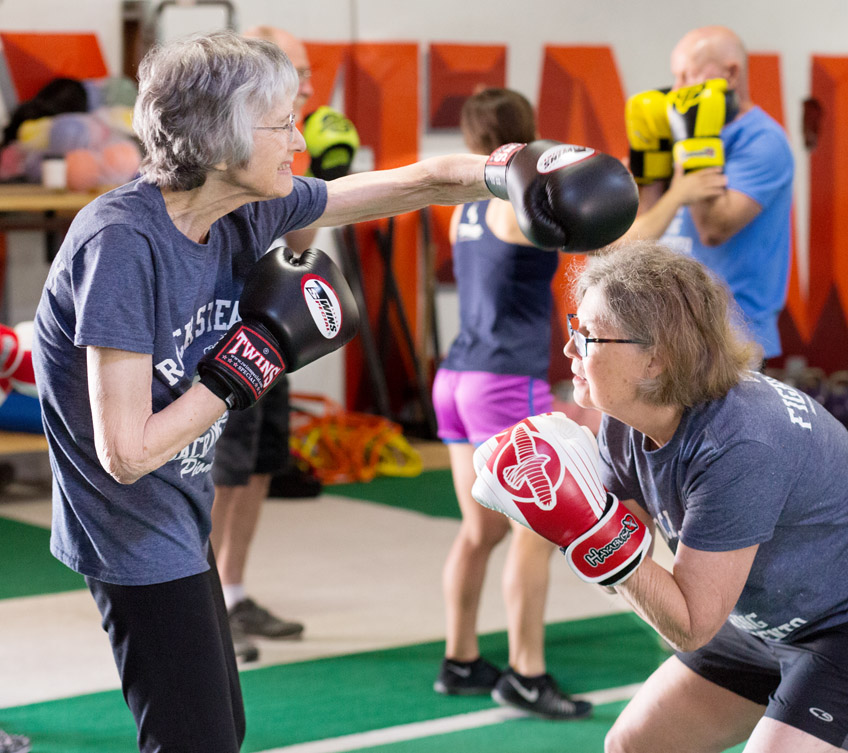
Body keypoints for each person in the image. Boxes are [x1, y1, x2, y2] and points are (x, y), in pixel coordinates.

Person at [32, 30, 636, 753]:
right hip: (131, 531)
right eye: (281, 124)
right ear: (220, 141)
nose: (299, 139)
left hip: (181, 515)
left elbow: (416, 183)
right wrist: (245, 367)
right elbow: (125, 453)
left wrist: (509, 168)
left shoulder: (242, 208)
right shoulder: (122, 245)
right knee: (197, 739)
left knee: (218, 729)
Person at [472, 241, 848, 753]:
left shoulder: (741, 443)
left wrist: (589, 531)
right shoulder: (623, 424)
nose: (570, 350)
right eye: (575, 328)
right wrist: (573, 524)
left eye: (589, 336)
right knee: (633, 746)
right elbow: (629, 571)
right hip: (766, 619)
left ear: (656, 360)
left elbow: (688, 626)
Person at [431, 88, 591, 720]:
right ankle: (527, 673)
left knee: (480, 531)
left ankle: (461, 660)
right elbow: (613, 232)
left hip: (456, 378)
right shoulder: (516, 206)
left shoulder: (465, 208)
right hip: (503, 382)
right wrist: (677, 192)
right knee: (536, 533)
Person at [208, 24, 330, 664]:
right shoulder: (235, 140)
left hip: (272, 325)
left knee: (257, 468)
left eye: (307, 72)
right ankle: (203, 609)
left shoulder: (289, 140)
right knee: (221, 475)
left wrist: (327, 175)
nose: (307, 85)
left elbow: (300, 241)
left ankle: (232, 591)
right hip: (224, 331)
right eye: (296, 70)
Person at [625, 25, 794, 361]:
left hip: (731, 333)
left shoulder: (763, 141)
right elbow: (645, 229)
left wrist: (695, 143)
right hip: (671, 325)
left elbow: (714, 229)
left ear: (731, 73)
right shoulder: (675, 130)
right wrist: (648, 169)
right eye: (675, 77)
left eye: (688, 76)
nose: (676, 90)